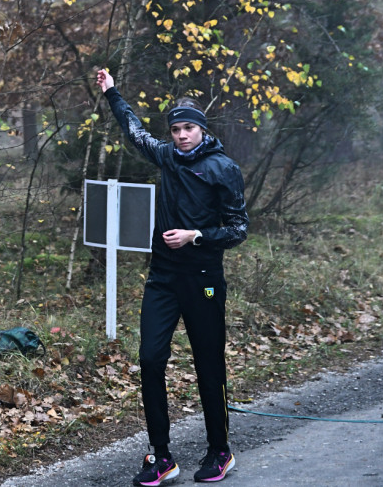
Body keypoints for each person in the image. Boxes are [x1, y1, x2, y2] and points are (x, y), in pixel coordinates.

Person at [95, 68, 248, 485]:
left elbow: (238, 228)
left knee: (208, 365)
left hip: (203, 276)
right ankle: (161, 457)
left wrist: (197, 236)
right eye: (176, 129)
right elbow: (134, 131)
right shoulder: (165, 156)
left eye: (188, 129)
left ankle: (220, 450)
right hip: (161, 277)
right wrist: (112, 93)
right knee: (149, 360)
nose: (181, 135)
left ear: (201, 130)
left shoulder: (222, 168)